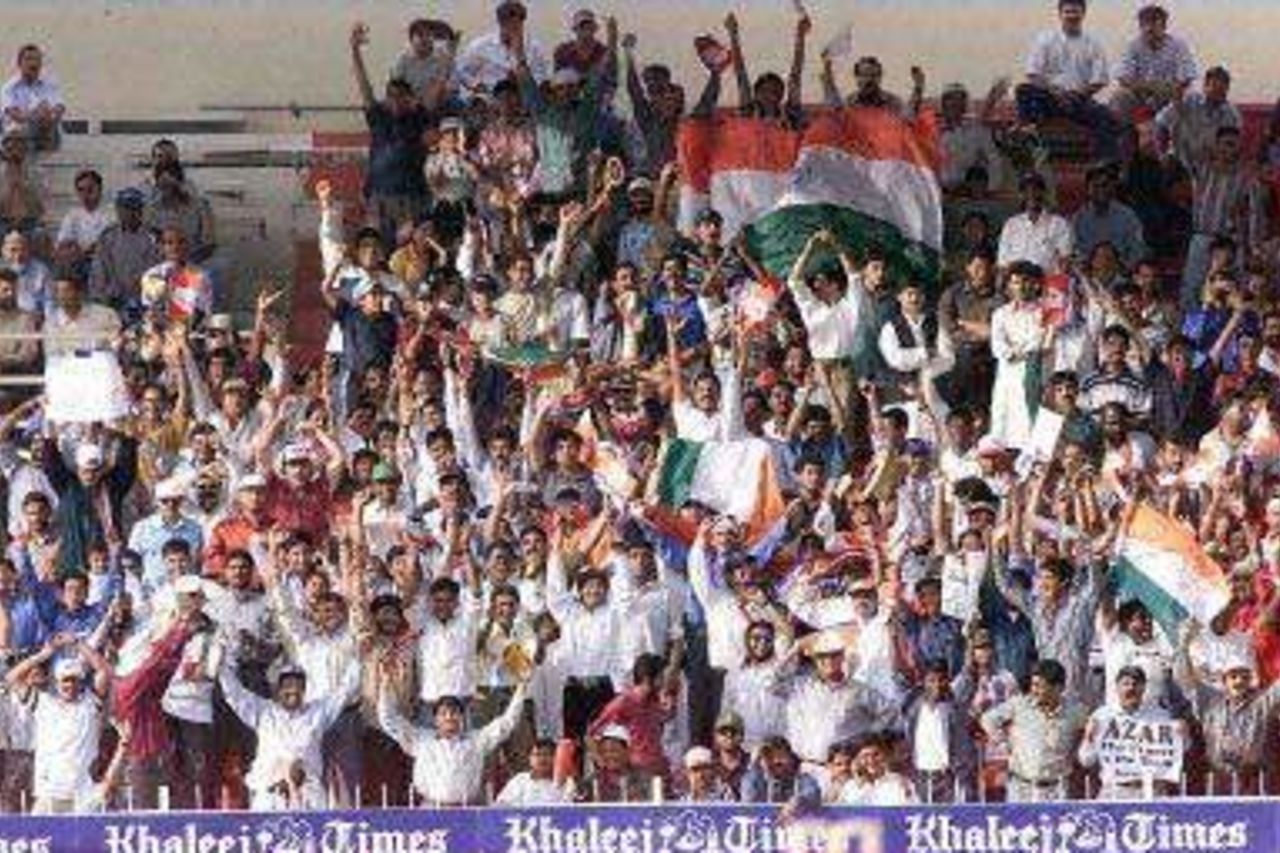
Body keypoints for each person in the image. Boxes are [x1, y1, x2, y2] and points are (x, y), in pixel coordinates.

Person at [379, 680, 528, 806]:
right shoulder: (421, 740)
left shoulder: (476, 741)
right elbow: (389, 721)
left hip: (466, 811)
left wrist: (521, 689)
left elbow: (508, 722)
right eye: (443, 713)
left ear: (462, 718)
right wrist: (385, 686)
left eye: (454, 712)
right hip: (430, 811)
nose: (449, 717)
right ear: (436, 719)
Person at [350, 22, 430, 245]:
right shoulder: (378, 118)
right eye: (391, 96)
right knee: (376, 247)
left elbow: (437, 89)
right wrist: (355, 51)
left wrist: (449, 56)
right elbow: (364, 86)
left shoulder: (418, 119)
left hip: (410, 198)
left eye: (400, 96)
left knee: (405, 249)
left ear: (409, 99)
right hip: (378, 195)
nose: (395, 100)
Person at [1016, 0, 1121, 159]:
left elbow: (1100, 80)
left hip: (1079, 101)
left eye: (1076, 12)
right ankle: (1032, 144)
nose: (1072, 16)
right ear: (1060, 14)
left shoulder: (1094, 43)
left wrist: (1075, 95)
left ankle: (1105, 166)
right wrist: (1055, 91)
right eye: (1068, 12)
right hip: (1050, 99)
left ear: (1083, 14)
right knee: (1023, 90)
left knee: (1108, 118)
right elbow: (1033, 74)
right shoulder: (1045, 39)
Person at [981, 659, 1088, 802]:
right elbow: (988, 719)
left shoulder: (1075, 711)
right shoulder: (1020, 705)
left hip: (1057, 790)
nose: (1034, 690)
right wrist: (1003, 743)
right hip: (1021, 788)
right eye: (1033, 685)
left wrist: (1077, 752)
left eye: (1039, 686)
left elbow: (1089, 730)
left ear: (1058, 688)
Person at [1110, 4, 1198, 118]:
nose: (1149, 28)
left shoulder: (1179, 46)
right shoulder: (1133, 46)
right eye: (1145, 24)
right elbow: (1123, 78)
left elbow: (1186, 78)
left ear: (1164, 26)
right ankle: (1119, 134)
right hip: (1140, 95)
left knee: (1190, 97)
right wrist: (1150, 89)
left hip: (1169, 95)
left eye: (1154, 23)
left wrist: (1163, 91)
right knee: (1119, 96)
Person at [0, 45, 63, 150]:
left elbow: (59, 107)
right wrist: (36, 114)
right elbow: (15, 115)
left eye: (37, 59)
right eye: (28, 59)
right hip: (20, 134)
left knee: (48, 117)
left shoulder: (50, 84)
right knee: (15, 135)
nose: (33, 63)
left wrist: (50, 114)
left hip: (47, 132)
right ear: (19, 63)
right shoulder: (9, 88)